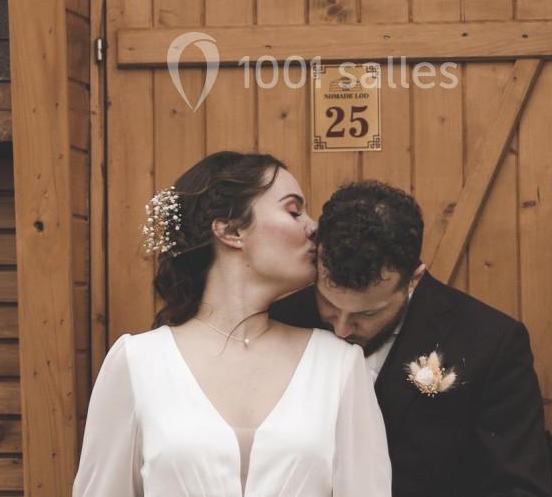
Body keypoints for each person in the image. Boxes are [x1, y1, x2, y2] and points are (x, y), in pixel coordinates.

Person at [72, 151, 391, 497]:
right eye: (294, 211)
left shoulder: (338, 366)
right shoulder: (136, 363)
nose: (314, 227)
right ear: (231, 229)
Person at [271, 180, 552, 497]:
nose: (341, 329)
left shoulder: (489, 342)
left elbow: (521, 488)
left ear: (413, 279)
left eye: (367, 314)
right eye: (329, 304)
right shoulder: (280, 321)